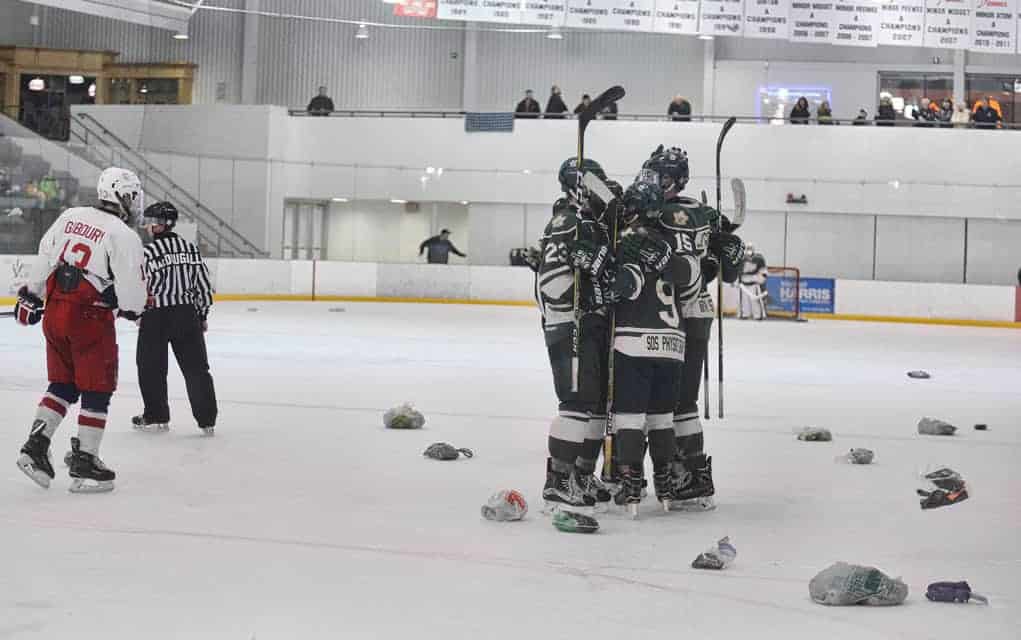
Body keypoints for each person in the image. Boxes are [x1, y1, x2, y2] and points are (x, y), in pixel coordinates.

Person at [14, 167, 147, 493]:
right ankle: (86, 460)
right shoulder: (123, 235)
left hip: (56, 313)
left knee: (63, 383)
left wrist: (31, 296)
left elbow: (45, 258)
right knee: (96, 389)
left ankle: (35, 446)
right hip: (90, 319)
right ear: (123, 196)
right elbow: (132, 296)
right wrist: (133, 308)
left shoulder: (70, 216)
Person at [643, 145, 744, 511]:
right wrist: (723, 249)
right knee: (681, 402)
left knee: (657, 400)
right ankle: (690, 476)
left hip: (664, 314)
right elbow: (721, 260)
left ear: (677, 180)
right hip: (695, 311)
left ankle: (665, 475)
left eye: (661, 178)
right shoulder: (701, 213)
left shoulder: (649, 212)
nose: (655, 183)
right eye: (653, 176)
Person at [607, 179, 701, 513]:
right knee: (662, 419)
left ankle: (631, 484)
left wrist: (606, 270)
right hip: (673, 346)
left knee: (629, 419)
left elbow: (627, 288)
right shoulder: (674, 244)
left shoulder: (629, 242)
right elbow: (691, 281)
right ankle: (664, 481)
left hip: (634, 343)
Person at [534, 157, 617, 512]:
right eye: (595, 182)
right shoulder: (566, 221)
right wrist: (577, 299)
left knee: (597, 404)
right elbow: (550, 284)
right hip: (571, 323)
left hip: (590, 324)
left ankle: (581, 474)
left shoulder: (588, 223)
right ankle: (558, 479)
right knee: (576, 402)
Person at [132, 202, 218, 436]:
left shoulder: (146, 252)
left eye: (151, 222)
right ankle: (207, 420)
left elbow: (139, 287)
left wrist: (138, 313)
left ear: (161, 225)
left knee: (151, 368)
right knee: (196, 370)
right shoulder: (190, 248)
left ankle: (157, 415)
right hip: (186, 315)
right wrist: (201, 315)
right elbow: (203, 285)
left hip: (155, 317)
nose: (147, 226)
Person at [738, 243, 768, 320]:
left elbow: (763, 270)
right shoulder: (742, 258)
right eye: (747, 248)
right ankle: (745, 314)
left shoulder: (758, 258)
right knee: (744, 301)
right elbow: (738, 270)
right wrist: (738, 280)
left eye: (750, 248)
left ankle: (758, 315)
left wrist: (762, 279)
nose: (749, 250)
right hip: (744, 282)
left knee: (755, 300)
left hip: (754, 282)